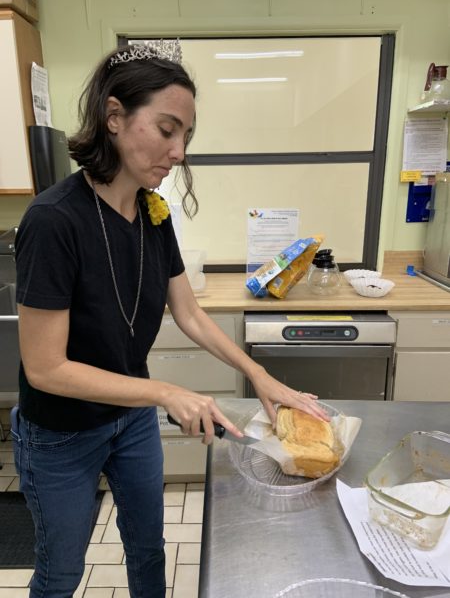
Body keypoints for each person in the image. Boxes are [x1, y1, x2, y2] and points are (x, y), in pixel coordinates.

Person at [11, 41, 329, 598]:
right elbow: (45, 368)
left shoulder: (153, 213)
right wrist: (163, 392)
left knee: (149, 549)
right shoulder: (53, 221)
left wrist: (259, 375)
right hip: (61, 434)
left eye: (186, 136)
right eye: (166, 129)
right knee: (61, 573)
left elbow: (188, 313)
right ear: (114, 117)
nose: (179, 152)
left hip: (128, 420)